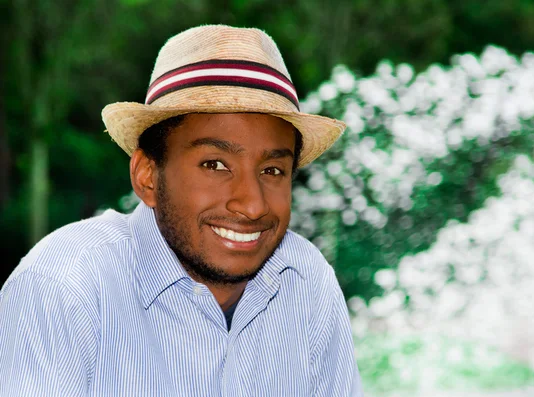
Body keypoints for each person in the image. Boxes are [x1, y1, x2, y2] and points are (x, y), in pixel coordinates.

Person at [0, 25, 362, 396]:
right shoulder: (65, 286)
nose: (252, 205)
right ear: (147, 177)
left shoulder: (306, 280)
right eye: (215, 165)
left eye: (272, 171)